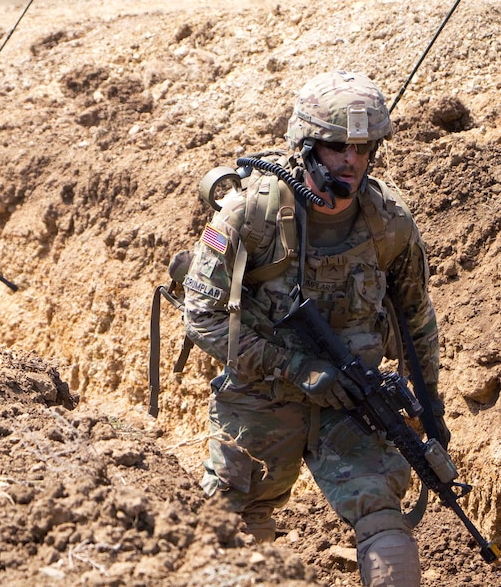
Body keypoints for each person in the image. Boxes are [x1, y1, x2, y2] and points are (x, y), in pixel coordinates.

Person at [181, 71, 448, 587]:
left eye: (363, 147)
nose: (350, 160)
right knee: (235, 525)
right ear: (306, 147)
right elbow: (203, 315)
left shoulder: (388, 222)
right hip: (261, 396)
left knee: (382, 516)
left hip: (351, 399)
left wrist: (430, 401)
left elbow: (416, 315)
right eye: (335, 147)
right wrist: (297, 370)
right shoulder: (249, 214)